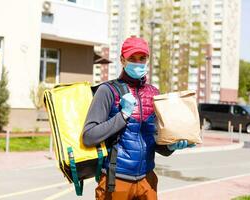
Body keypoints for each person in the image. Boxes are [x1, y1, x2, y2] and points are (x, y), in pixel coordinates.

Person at [83, 36, 194, 200]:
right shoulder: (107, 91)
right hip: (116, 181)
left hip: (147, 181)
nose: (138, 62)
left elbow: (155, 141)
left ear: (147, 60)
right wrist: (123, 115)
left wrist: (171, 146)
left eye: (142, 58)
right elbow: (89, 136)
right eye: (132, 58)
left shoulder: (154, 94)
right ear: (122, 60)